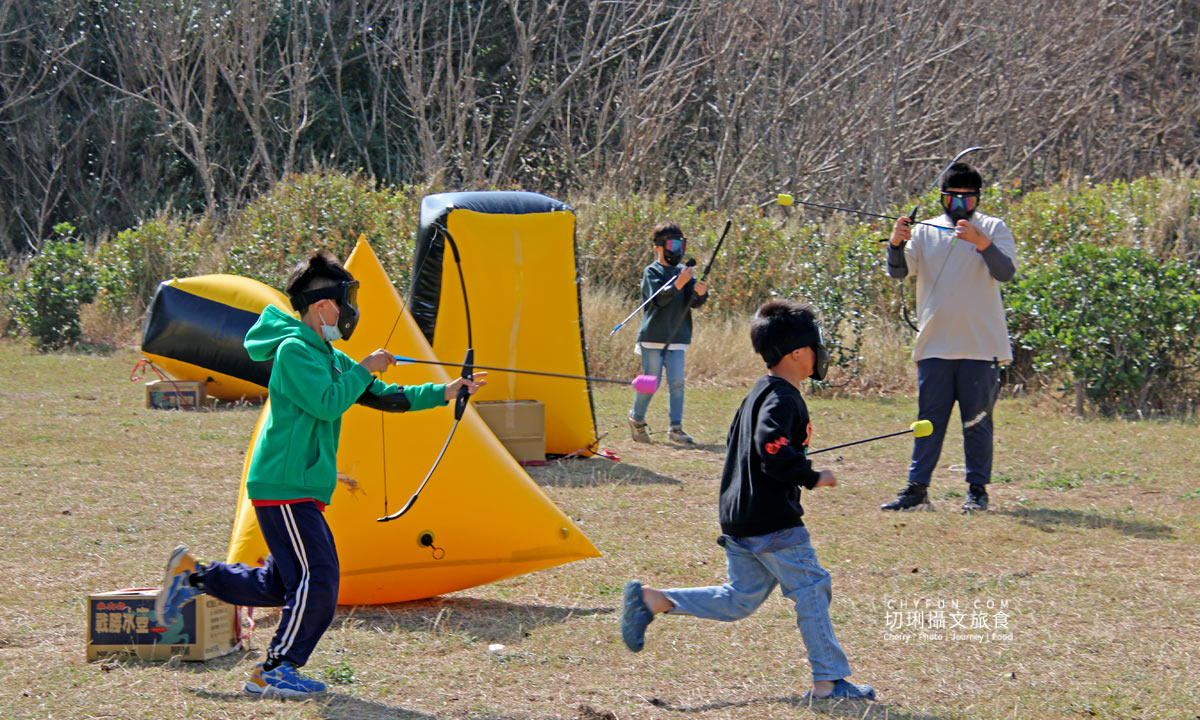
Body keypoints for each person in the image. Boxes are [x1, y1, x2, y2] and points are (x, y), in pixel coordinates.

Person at [154, 250, 485, 699]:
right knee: (320, 579)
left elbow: (383, 397)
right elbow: (328, 401)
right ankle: (275, 670)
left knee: (281, 583)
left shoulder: (325, 353)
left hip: (301, 488)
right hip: (284, 485)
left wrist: (445, 392)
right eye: (346, 299)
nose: (351, 309)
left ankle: (193, 577)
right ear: (323, 305)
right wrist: (363, 367)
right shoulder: (294, 352)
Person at [620, 299, 875, 701]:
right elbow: (770, 449)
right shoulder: (783, 398)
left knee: (740, 600)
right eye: (814, 345)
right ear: (796, 353)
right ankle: (829, 680)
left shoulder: (760, 391)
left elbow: (744, 445)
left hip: (741, 518)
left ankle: (653, 600)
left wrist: (790, 460)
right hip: (773, 522)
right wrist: (810, 475)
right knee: (811, 587)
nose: (819, 353)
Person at [882, 162, 1017, 513]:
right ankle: (917, 490)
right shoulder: (925, 230)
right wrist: (896, 243)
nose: (959, 206)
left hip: (981, 345)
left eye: (966, 201)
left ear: (977, 200)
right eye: (952, 199)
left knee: (978, 423)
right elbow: (898, 271)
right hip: (935, 345)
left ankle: (977, 492)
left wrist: (981, 243)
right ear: (942, 198)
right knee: (927, 421)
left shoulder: (993, 228)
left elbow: (1005, 273)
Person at [627, 221, 709, 445]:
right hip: (653, 337)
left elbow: (693, 303)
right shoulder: (652, 271)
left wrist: (701, 293)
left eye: (680, 245)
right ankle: (637, 420)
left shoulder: (684, 274)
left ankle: (676, 429)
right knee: (650, 383)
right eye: (672, 244)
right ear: (658, 247)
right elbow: (659, 300)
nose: (677, 250)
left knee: (677, 383)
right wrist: (679, 284)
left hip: (678, 338)